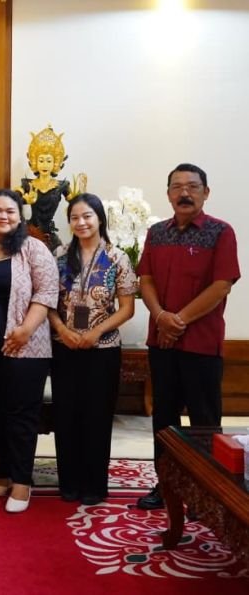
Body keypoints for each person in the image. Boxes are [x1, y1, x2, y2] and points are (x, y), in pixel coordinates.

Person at [135, 163, 240, 510]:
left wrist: (178, 319)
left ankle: (206, 493)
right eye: (177, 187)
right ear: (167, 194)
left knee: (204, 421)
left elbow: (222, 284)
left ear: (205, 193)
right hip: (161, 342)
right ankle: (166, 485)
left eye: (193, 187)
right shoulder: (156, 233)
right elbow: (145, 279)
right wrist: (161, 317)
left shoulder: (220, 233)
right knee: (163, 418)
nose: (185, 193)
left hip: (201, 344)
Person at [0, 189, 58, 513]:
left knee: (21, 414)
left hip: (26, 347)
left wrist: (25, 331)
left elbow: (47, 293)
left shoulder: (33, 249)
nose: (3, 216)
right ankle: (3, 474)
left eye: (10, 211)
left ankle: (23, 483)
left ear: (20, 216)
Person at [47, 194, 137, 505]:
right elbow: (47, 303)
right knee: (66, 416)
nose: (81, 223)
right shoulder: (58, 256)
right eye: (75, 217)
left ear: (99, 219)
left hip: (103, 349)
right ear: (69, 222)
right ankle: (69, 483)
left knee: (97, 417)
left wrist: (95, 332)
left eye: (87, 216)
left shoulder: (117, 258)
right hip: (64, 347)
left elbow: (127, 308)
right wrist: (62, 331)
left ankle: (94, 485)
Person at [14, 125, 74, 251]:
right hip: (30, 233)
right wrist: (25, 201)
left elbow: (77, 203)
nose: (44, 165)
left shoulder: (62, 186)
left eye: (48, 161)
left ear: (55, 163)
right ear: (35, 161)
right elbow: (11, 201)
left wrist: (81, 195)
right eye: (41, 160)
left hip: (50, 235)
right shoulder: (28, 185)